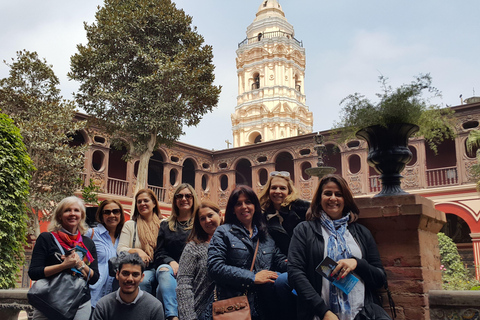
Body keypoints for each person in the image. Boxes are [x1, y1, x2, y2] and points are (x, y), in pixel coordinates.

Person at [288, 174, 390, 320]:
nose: (333, 198)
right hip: (320, 315)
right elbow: (295, 273)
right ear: (319, 198)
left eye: (339, 194)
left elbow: (380, 279)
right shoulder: (304, 230)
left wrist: (357, 263)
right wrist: (324, 312)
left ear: (345, 199)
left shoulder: (361, 232)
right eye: (327, 193)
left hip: (361, 315)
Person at [208, 185, 287, 320]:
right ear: (233, 209)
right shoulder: (223, 232)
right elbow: (214, 267)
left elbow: (279, 260)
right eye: (238, 204)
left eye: (248, 202)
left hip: (265, 308)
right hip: (234, 307)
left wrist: (299, 265)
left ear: (255, 206)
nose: (244, 207)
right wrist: (252, 277)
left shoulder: (265, 236)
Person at [28, 196, 99, 320]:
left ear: (81, 216)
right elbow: (34, 273)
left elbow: (94, 278)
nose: (72, 214)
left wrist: (80, 264)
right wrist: (64, 265)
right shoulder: (46, 238)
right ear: (60, 216)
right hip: (49, 301)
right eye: (67, 210)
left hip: (80, 303)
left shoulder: (87, 243)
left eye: (76, 210)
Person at [258, 171, 310, 319]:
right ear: (268, 190)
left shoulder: (302, 210)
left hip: (306, 261)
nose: (278, 192)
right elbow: (268, 245)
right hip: (280, 263)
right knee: (271, 282)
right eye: (274, 188)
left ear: (289, 191)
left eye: (282, 188)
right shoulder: (263, 216)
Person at [154, 183, 199, 320]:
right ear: (175, 201)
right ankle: (173, 316)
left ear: (193, 199)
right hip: (170, 270)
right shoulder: (166, 225)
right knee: (164, 272)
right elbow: (159, 252)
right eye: (179, 196)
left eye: (188, 196)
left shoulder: (199, 223)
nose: (183, 199)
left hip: (193, 271)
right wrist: (171, 262)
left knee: (160, 291)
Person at [176, 201, 222, 320]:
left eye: (210, 215)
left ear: (220, 215)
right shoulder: (193, 247)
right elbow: (183, 284)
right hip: (200, 311)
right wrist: (188, 317)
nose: (207, 220)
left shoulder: (234, 243)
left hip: (231, 309)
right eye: (202, 218)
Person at [91, 253, 165, 320]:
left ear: (142, 277)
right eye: (125, 273)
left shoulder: (154, 307)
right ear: (117, 274)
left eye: (135, 275)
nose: (130, 279)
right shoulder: (103, 306)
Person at [118, 189, 161, 296]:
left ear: (154, 203)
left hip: (161, 266)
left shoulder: (163, 224)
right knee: (144, 281)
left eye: (146, 201)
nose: (142, 204)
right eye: (139, 202)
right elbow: (120, 249)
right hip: (141, 268)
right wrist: (137, 251)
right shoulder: (131, 225)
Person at [85, 199, 125, 310]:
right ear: (101, 216)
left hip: (114, 297)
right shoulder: (91, 234)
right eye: (107, 212)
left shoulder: (124, 238)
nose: (111, 215)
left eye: (115, 211)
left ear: (120, 214)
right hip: (92, 293)